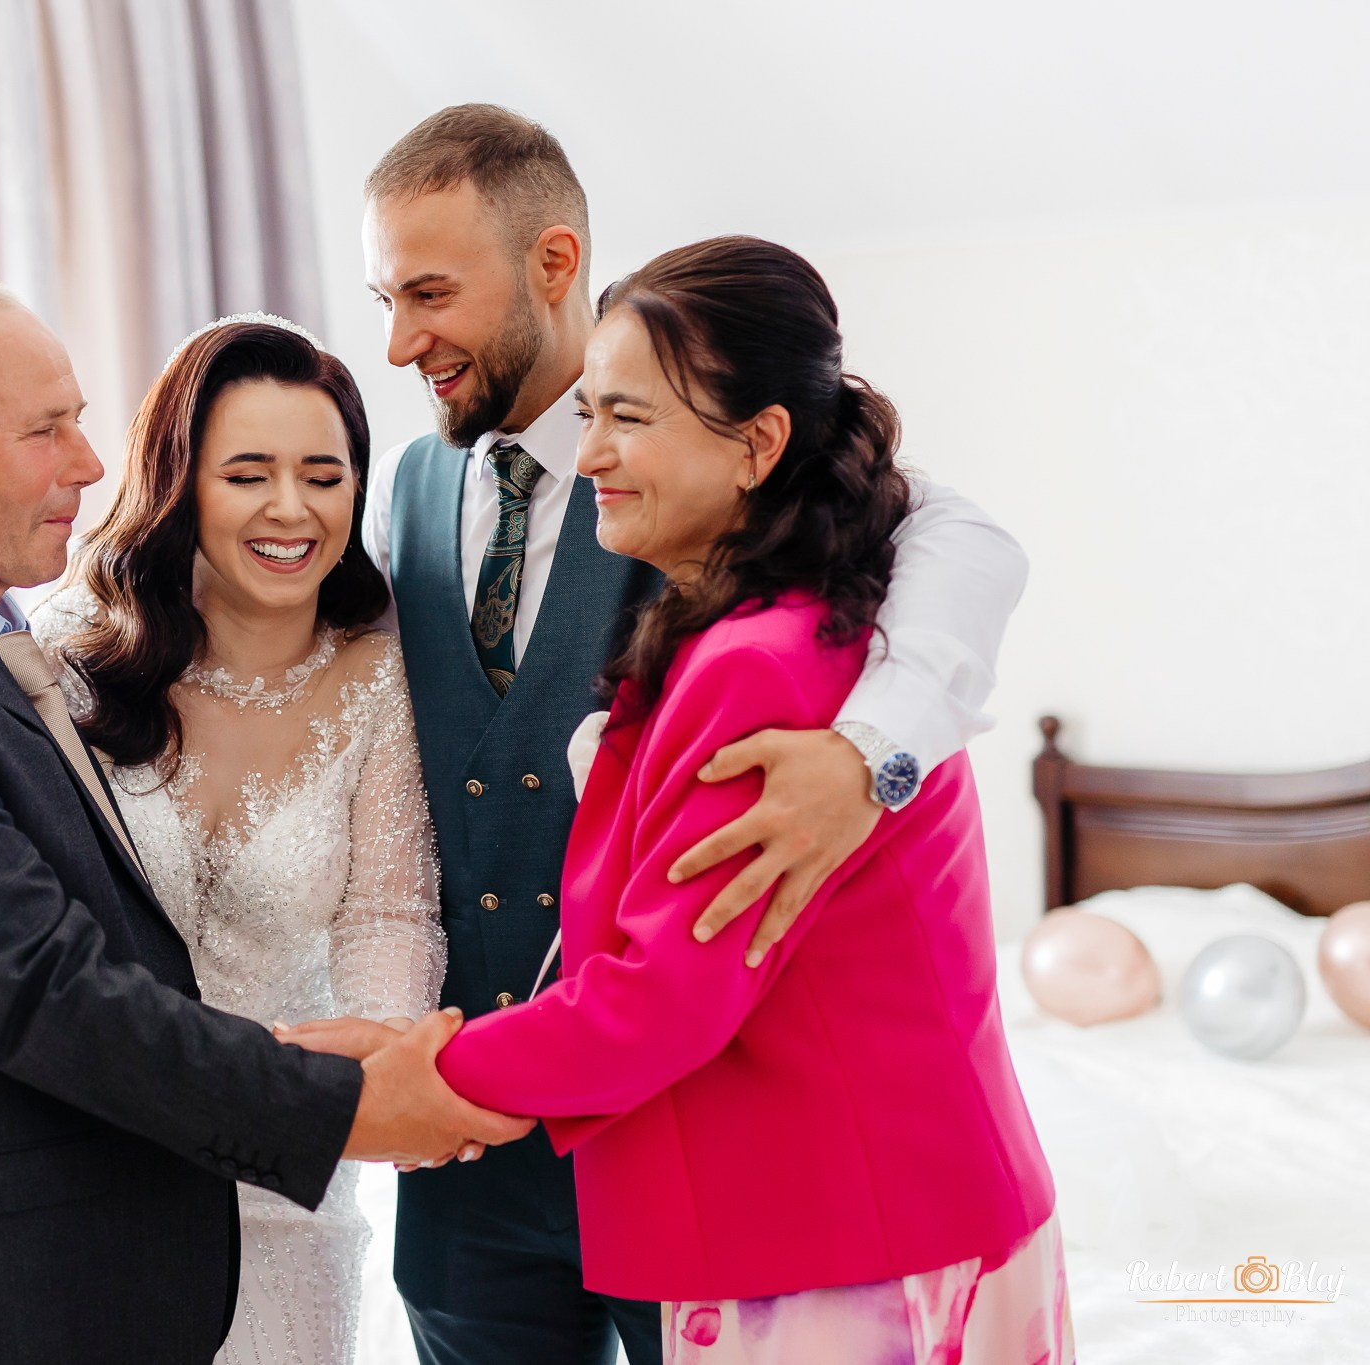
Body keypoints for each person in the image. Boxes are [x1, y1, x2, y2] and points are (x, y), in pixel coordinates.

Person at [342, 105, 1031, 1365]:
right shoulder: (414, 481)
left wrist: (866, 754)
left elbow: (965, 539)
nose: (398, 343)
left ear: (552, 264)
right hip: (471, 1167)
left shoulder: (737, 491)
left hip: (683, 1135)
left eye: (428, 292)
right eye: (384, 297)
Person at [0, 279, 530, 1365]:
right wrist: (344, 1100)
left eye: (80, 421)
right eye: (43, 430)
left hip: (150, 1253)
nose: (87, 464)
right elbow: (54, 1001)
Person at [29, 315, 448, 1365]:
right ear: (181, 484)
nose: (290, 509)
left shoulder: (382, 680)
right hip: (93, 1169)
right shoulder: (66, 661)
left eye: (322, 473)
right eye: (247, 473)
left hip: (288, 1186)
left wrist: (381, 1074)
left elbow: (388, 912)